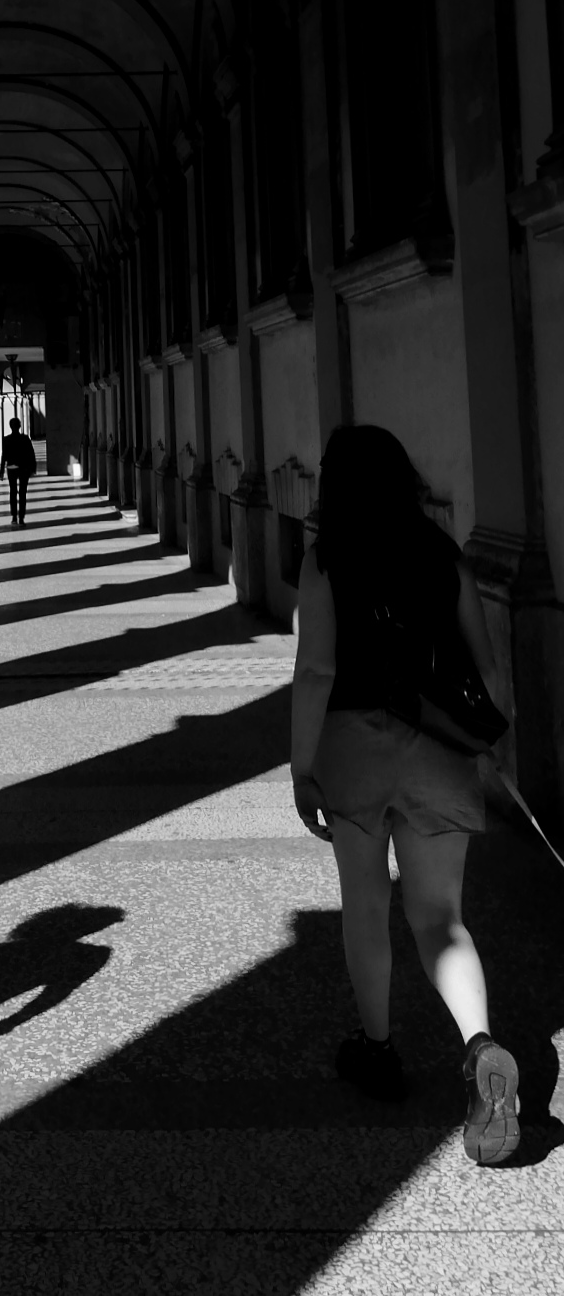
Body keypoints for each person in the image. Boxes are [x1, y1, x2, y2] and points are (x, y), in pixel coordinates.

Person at [290, 423, 519, 1164]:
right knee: (441, 918)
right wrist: (482, 738)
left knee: (366, 906)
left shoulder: (325, 560)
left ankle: (378, 1049)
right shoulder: (443, 554)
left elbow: (316, 671)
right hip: (436, 753)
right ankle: (479, 1046)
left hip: (353, 750)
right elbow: (486, 670)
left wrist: (301, 768)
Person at [0, 412, 36, 526]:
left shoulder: (6, 440)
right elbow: (31, 454)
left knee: (13, 492)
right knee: (22, 493)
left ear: (10, 426)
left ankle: (14, 516)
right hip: (24, 468)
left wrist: (1, 471)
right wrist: (33, 468)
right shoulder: (25, 439)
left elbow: (4, 456)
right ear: (19, 426)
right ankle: (21, 517)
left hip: (12, 468)